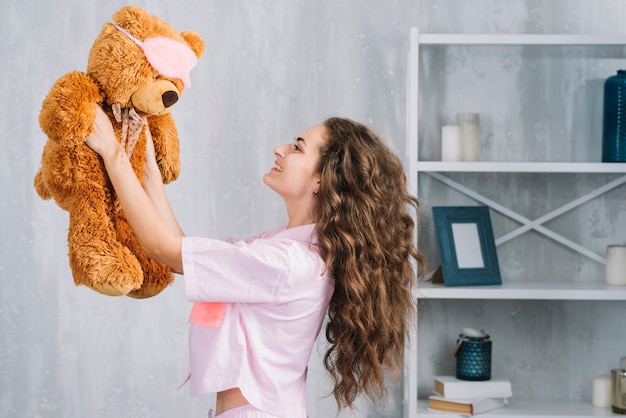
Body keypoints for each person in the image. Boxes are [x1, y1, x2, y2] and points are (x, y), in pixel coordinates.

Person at [86, 106, 426, 418]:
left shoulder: (288, 263)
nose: (280, 149)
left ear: (321, 180)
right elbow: (185, 253)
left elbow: (166, 251)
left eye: (297, 147)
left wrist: (112, 155)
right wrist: (146, 168)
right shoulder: (281, 247)